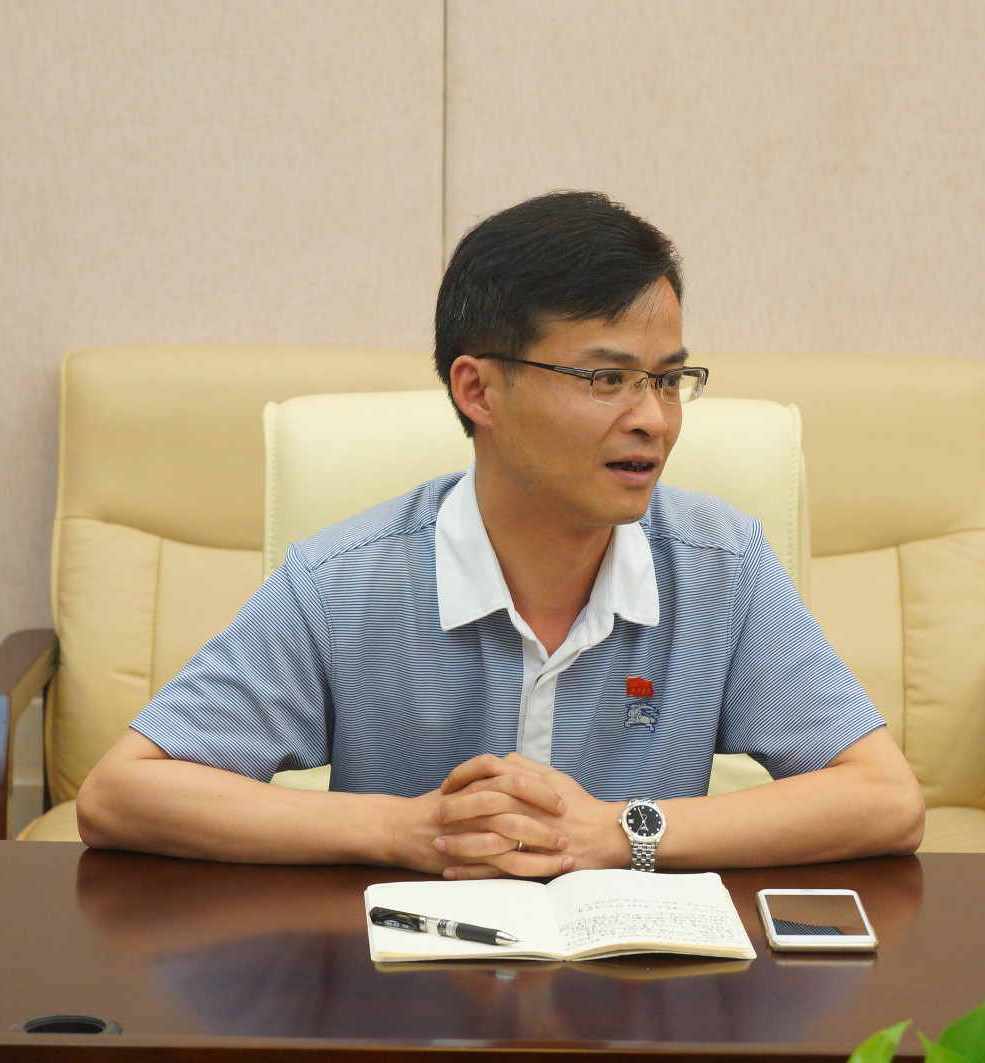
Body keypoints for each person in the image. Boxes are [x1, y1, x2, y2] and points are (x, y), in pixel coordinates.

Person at [77, 191, 924, 876]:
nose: (654, 420)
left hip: (637, 998)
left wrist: (620, 831)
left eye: (669, 381)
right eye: (607, 379)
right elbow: (122, 793)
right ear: (478, 391)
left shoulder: (720, 565)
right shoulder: (343, 581)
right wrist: (400, 830)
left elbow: (885, 798)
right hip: (409, 1002)